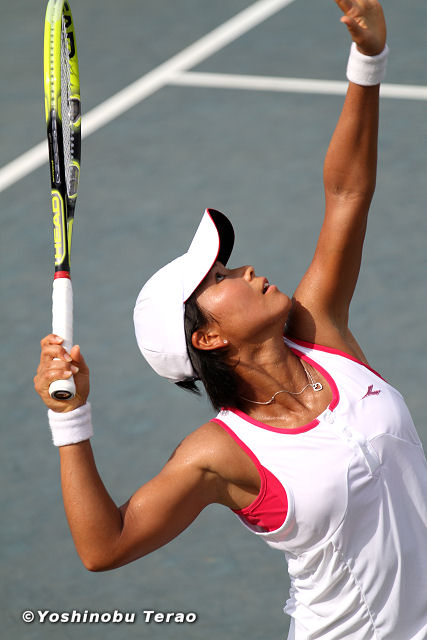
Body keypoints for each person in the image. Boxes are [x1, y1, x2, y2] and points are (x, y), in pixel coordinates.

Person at [35, 1, 427, 638]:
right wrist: (70, 419)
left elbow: (347, 194)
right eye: (220, 279)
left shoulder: (322, 335)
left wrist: (368, 59)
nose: (244, 270)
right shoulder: (221, 453)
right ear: (208, 336)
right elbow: (104, 547)